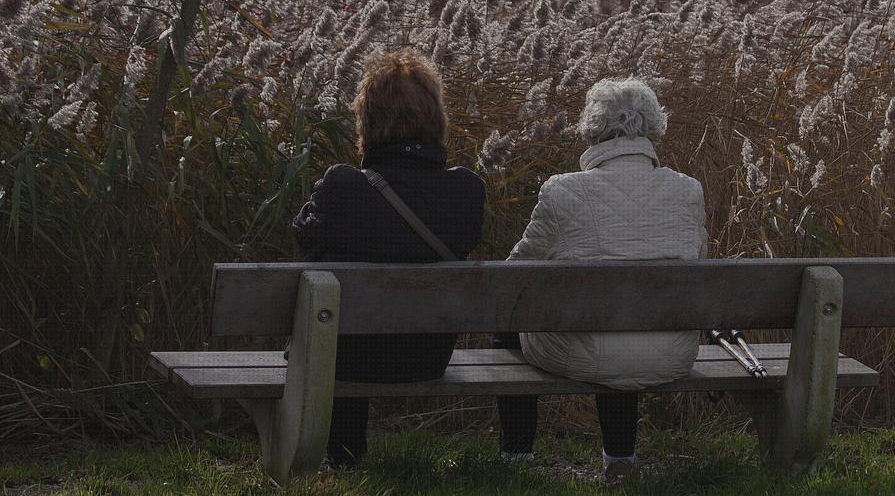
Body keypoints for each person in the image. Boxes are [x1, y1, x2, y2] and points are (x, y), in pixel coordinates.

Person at [496, 77, 706, 483]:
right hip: (671, 352)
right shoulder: (688, 191)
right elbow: (701, 263)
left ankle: (516, 457)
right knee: (624, 322)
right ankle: (620, 461)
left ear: (592, 130)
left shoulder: (562, 192)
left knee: (510, 318)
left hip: (585, 351)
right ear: (653, 128)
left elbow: (514, 275)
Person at [292, 48, 484, 468]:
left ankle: (343, 453)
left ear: (368, 121)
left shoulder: (343, 186)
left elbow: (305, 238)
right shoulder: (468, 190)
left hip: (346, 359)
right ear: (436, 119)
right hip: (427, 356)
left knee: (339, 304)